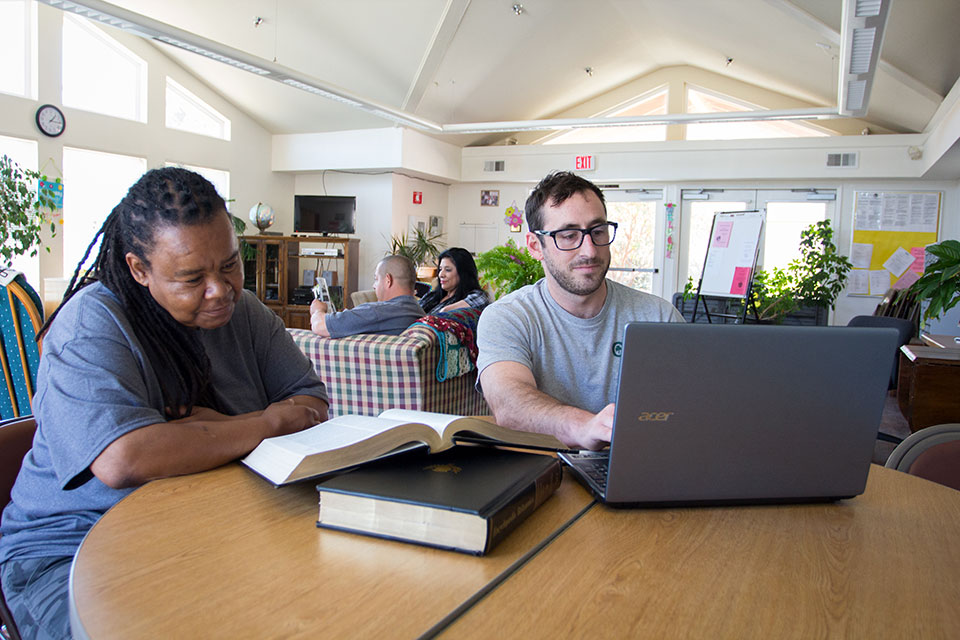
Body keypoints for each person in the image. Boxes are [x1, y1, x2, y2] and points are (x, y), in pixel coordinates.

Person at [0, 168, 329, 639]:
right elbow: (125, 458)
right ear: (139, 269)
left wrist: (214, 428)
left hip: (210, 528)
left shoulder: (245, 312)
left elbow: (313, 404)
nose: (220, 289)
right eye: (192, 277)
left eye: (230, 265)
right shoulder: (90, 325)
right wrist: (266, 423)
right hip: (70, 548)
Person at [476, 171, 683, 451]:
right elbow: (510, 404)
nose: (590, 250)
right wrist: (585, 427)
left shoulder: (658, 317)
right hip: (544, 472)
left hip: (640, 468)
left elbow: (692, 406)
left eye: (597, 231)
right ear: (536, 246)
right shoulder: (509, 317)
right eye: (569, 235)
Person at [309, 254, 424, 337]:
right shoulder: (418, 312)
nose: (374, 285)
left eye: (376, 279)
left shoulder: (377, 312)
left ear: (388, 280)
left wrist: (318, 310)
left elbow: (320, 326)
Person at [418, 247, 490, 315]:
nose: (441, 275)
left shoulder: (477, 296)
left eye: (448, 270)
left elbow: (444, 313)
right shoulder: (432, 296)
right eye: (440, 269)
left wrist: (443, 311)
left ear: (463, 273)